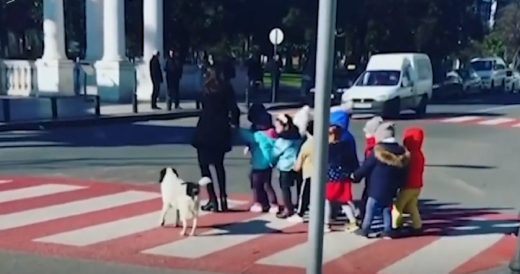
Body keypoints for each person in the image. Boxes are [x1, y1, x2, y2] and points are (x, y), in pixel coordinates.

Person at [191, 65, 240, 212]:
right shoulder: (227, 88)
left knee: (204, 166)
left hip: (205, 129)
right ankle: (223, 198)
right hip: (221, 129)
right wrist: (234, 124)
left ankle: (212, 199)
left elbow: (202, 105)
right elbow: (234, 109)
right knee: (219, 165)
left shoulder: (206, 88)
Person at [351, 122, 410, 239]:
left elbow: (366, 167)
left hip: (376, 187)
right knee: (386, 209)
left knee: (370, 209)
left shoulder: (377, 152)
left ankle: (366, 228)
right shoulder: (402, 152)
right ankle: (388, 230)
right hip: (391, 188)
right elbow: (404, 172)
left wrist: (355, 176)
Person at [324, 114, 360, 233]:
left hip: (331, 179)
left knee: (327, 200)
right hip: (344, 177)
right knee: (343, 200)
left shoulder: (327, 149)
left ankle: (327, 223)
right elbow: (351, 159)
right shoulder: (346, 145)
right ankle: (353, 220)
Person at [240, 109, 279, 213]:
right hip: (268, 163)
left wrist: (235, 127)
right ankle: (273, 204)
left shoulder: (258, 136)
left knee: (256, 184)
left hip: (258, 164)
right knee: (267, 184)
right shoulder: (271, 134)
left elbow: (246, 135)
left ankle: (258, 203)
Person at [392, 127, 425, 233]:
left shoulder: (409, 155)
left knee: (398, 207)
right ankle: (417, 225)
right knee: (412, 206)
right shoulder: (419, 154)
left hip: (408, 186)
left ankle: (395, 226)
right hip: (417, 185)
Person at [272, 113, 303, 219]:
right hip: (298, 164)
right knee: (300, 187)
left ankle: (288, 208)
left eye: (277, 126)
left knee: (285, 188)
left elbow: (275, 153)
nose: (276, 129)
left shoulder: (282, 140)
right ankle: (301, 206)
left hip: (285, 166)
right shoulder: (298, 137)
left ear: (284, 126)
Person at [358, 116, 384, 223]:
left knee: (369, 200)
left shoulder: (372, 146)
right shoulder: (378, 143)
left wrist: (358, 174)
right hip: (376, 178)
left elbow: (369, 163)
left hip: (372, 178)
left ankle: (366, 224)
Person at [289, 120, 314, 223]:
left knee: (304, 195)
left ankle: (300, 214)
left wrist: (294, 169)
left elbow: (298, 165)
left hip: (309, 174)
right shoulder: (325, 142)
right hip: (323, 175)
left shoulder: (307, 145)